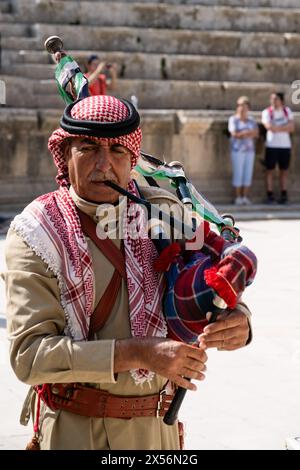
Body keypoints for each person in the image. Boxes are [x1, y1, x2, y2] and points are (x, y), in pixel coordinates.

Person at [2, 95, 252, 450]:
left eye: (118, 151)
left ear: (133, 157)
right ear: (66, 153)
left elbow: (212, 273)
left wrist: (239, 318)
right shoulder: (37, 232)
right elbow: (30, 356)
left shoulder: (164, 212)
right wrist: (138, 353)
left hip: (158, 430)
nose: (104, 165)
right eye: (88, 148)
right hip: (75, 430)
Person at [261, 92, 294, 204]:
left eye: (276, 99)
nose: (273, 101)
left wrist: (277, 128)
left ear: (281, 100)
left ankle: (284, 194)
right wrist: (283, 127)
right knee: (269, 170)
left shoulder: (287, 111)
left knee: (283, 171)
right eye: (272, 99)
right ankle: (269, 195)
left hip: (285, 146)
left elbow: (291, 127)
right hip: (272, 145)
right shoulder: (267, 112)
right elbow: (268, 127)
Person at [228, 96, 258, 205]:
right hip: (237, 150)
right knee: (238, 173)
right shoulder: (233, 119)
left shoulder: (251, 120)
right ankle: (237, 197)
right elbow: (234, 134)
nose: (241, 108)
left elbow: (256, 133)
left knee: (247, 174)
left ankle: (245, 196)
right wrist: (248, 132)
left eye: (244, 106)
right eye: (239, 105)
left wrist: (243, 133)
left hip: (250, 151)